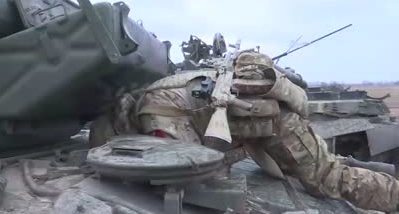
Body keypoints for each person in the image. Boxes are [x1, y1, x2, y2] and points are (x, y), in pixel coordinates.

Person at [91, 50, 399, 212]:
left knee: (329, 180)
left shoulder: (156, 115)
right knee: (317, 170)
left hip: (276, 124)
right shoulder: (157, 92)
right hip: (259, 125)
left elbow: (192, 167)